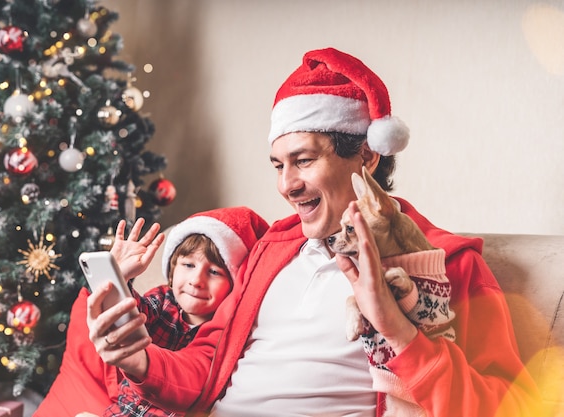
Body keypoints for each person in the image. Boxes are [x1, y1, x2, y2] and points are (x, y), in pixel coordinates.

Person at [86, 47, 542, 416]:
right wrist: (139, 361)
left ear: (366, 157)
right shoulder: (271, 250)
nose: (287, 185)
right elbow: (207, 363)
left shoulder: (447, 263)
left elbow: (509, 407)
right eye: (278, 166)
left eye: (304, 160)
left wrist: (396, 330)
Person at [103, 206, 269, 417]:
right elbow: (132, 314)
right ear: (172, 270)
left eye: (214, 272)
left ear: (233, 285)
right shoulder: (164, 300)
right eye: (189, 265)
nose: (196, 281)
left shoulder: (224, 334)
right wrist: (120, 279)